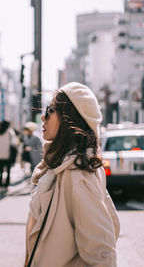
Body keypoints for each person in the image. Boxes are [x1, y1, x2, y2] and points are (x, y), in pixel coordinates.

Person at [25, 82, 120, 267]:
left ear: (69, 118)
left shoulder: (77, 174)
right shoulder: (58, 165)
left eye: (50, 110)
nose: (43, 117)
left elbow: (100, 251)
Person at [0, 121, 17, 188]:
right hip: (8, 153)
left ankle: (0, 182)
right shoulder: (10, 132)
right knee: (8, 170)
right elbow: (14, 143)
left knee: (0, 169)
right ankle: (6, 183)